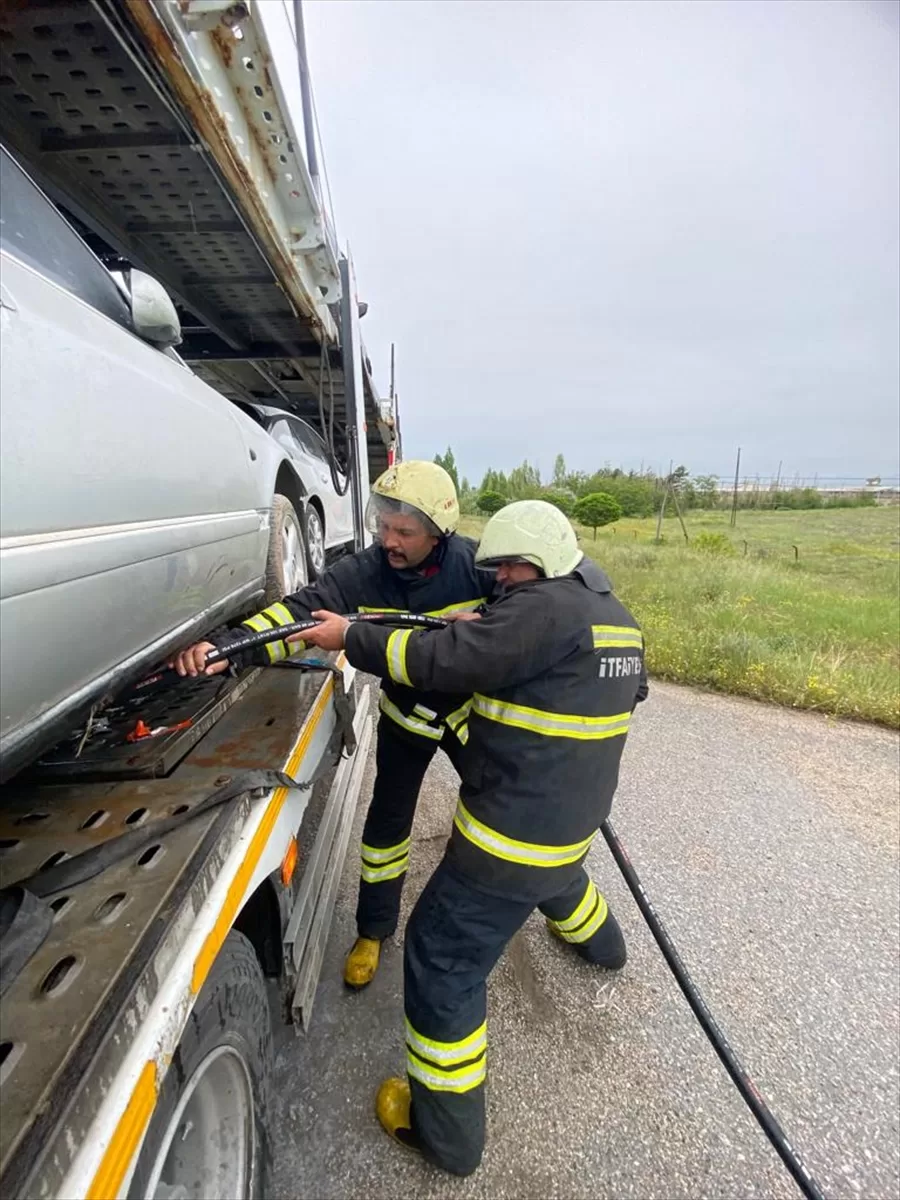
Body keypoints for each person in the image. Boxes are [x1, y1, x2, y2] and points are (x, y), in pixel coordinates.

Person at [301, 499, 648, 1177]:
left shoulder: (540, 608)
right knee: (560, 883)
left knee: (442, 958)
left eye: (508, 576)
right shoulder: (614, 620)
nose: (500, 586)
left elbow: (446, 661)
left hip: (507, 844)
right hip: (571, 825)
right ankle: (605, 951)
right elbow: (623, 691)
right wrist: (496, 631)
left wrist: (349, 635)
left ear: (531, 564)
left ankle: (446, 1136)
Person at [171, 460, 496, 989]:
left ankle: (563, 899)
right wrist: (227, 649)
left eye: (404, 533)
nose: (388, 541)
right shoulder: (364, 573)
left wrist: (490, 623)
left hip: (467, 715)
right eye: (382, 526)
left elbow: (531, 609)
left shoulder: (477, 565)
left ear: (439, 534)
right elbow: (300, 615)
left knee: (515, 812)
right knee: (386, 827)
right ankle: (373, 929)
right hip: (407, 718)